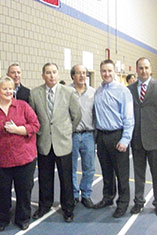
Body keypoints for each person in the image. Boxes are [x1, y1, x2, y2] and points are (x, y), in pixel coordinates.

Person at [30, 63, 82, 223]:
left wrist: (67, 131)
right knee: (45, 177)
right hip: (44, 142)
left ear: (58, 74)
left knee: (66, 178)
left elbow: (77, 115)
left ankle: (68, 209)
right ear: (43, 75)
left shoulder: (68, 92)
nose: (51, 75)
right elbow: (33, 118)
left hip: (63, 143)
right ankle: (45, 205)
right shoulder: (35, 93)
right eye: (48, 73)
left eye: (54, 72)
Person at [128, 57, 157, 218]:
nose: (144, 71)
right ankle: (138, 202)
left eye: (146, 68)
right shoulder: (130, 89)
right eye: (141, 68)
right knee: (138, 174)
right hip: (137, 139)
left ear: (151, 69)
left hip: (155, 139)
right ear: (136, 69)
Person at [0, 76, 40, 231]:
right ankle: (1, 218)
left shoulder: (23, 106)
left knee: (24, 191)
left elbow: (35, 125)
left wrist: (19, 130)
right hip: (1, 160)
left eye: (10, 88)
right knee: (1, 192)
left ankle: (23, 218)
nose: (8, 91)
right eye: (4, 88)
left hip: (24, 158)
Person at [93, 59, 134, 218]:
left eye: (109, 71)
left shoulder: (123, 91)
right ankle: (108, 197)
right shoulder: (98, 91)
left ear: (114, 71)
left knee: (121, 173)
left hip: (118, 135)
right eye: (104, 71)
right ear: (100, 72)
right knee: (106, 171)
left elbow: (129, 117)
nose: (107, 74)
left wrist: (125, 139)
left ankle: (123, 203)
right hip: (102, 137)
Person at [69, 64, 95, 208]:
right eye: (78, 73)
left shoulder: (93, 92)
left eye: (84, 73)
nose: (82, 76)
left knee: (89, 167)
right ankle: (74, 194)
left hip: (88, 135)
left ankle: (86, 194)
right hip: (71, 135)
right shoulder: (66, 91)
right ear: (73, 75)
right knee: (70, 167)